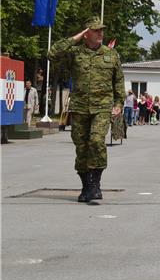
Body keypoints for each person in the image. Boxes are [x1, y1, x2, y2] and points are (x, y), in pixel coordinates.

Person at [48, 16, 125, 203]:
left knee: (97, 142)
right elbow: (52, 53)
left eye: (101, 30)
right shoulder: (75, 53)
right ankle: (86, 186)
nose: (100, 33)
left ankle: (96, 184)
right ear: (86, 34)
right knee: (81, 147)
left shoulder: (111, 55)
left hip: (102, 107)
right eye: (95, 30)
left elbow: (119, 81)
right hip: (80, 107)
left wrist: (118, 104)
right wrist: (76, 37)